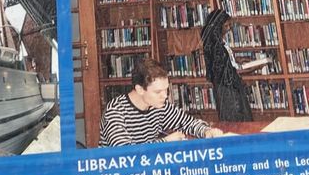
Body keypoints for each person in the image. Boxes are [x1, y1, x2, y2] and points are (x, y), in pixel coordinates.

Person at [98, 58, 229, 146]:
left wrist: (206, 131)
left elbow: (188, 122)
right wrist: (165, 142)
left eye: (166, 90)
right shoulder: (115, 112)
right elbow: (126, 154)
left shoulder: (159, 106)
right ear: (139, 89)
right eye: (158, 92)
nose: (165, 96)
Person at [199, 9, 252, 122]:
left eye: (230, 25)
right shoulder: (215, 45)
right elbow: (224, 70)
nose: (229, 29)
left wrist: (237, 59)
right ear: (218, 26)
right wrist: (251, 68)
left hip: (228, 86)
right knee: (236, 121)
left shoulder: (218, 41)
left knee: (239, 119)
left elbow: (225, 62)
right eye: (226, 26)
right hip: (227, 90)